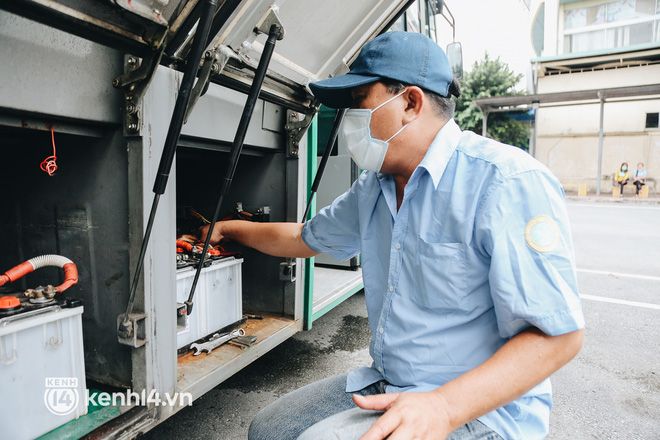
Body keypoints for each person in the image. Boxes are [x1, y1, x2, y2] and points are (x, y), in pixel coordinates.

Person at [200, 31, 584, 440]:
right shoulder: (374, 187)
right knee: (269, 430)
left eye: (359, 100)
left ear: (410, 103)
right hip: (393, 382)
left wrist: (444, 406)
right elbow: (304, 238)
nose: (350, 120)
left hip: (479, 407)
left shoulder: (505, 183)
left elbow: (557, 336)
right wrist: (228, 229)